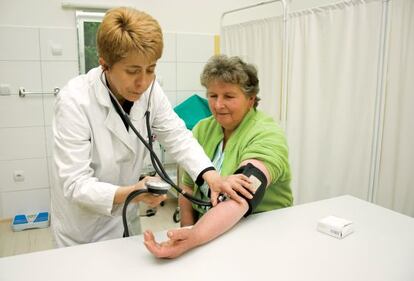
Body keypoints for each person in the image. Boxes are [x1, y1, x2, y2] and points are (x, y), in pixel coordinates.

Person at [51, 8, 252, 247]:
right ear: (104, 64)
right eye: (133, 71)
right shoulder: (74, 101)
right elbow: (75, 185)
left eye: (151, 69)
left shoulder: (150, 91)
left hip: (125, 218)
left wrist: (212, 177)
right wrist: (133, 192)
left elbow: (178, 136)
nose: (143, 82)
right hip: (83, 228)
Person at [144, 55, 293, 258]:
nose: (218, 105)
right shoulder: (203, 129)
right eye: (212, 95)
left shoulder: (267, 133)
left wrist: (194, 237)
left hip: (261, 236)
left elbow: (243, 194)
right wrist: (187, 232)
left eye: (229, 96)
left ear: (250, 100)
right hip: (210, 234)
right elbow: (187, 188)